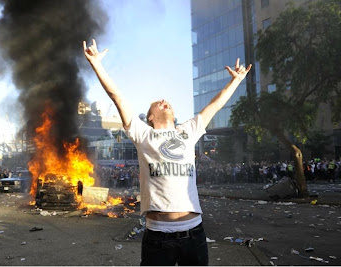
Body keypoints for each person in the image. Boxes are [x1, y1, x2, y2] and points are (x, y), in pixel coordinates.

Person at [83, 39, 251, 266]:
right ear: (149, 117)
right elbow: (117, 96)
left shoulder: (188, 131)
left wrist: (236, 80)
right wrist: (96, 64)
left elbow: (215, 105)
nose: (164, 101)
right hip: (157, 237)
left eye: (167, 101)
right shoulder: (143, 134)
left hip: (194, 235)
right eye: (157, 103)